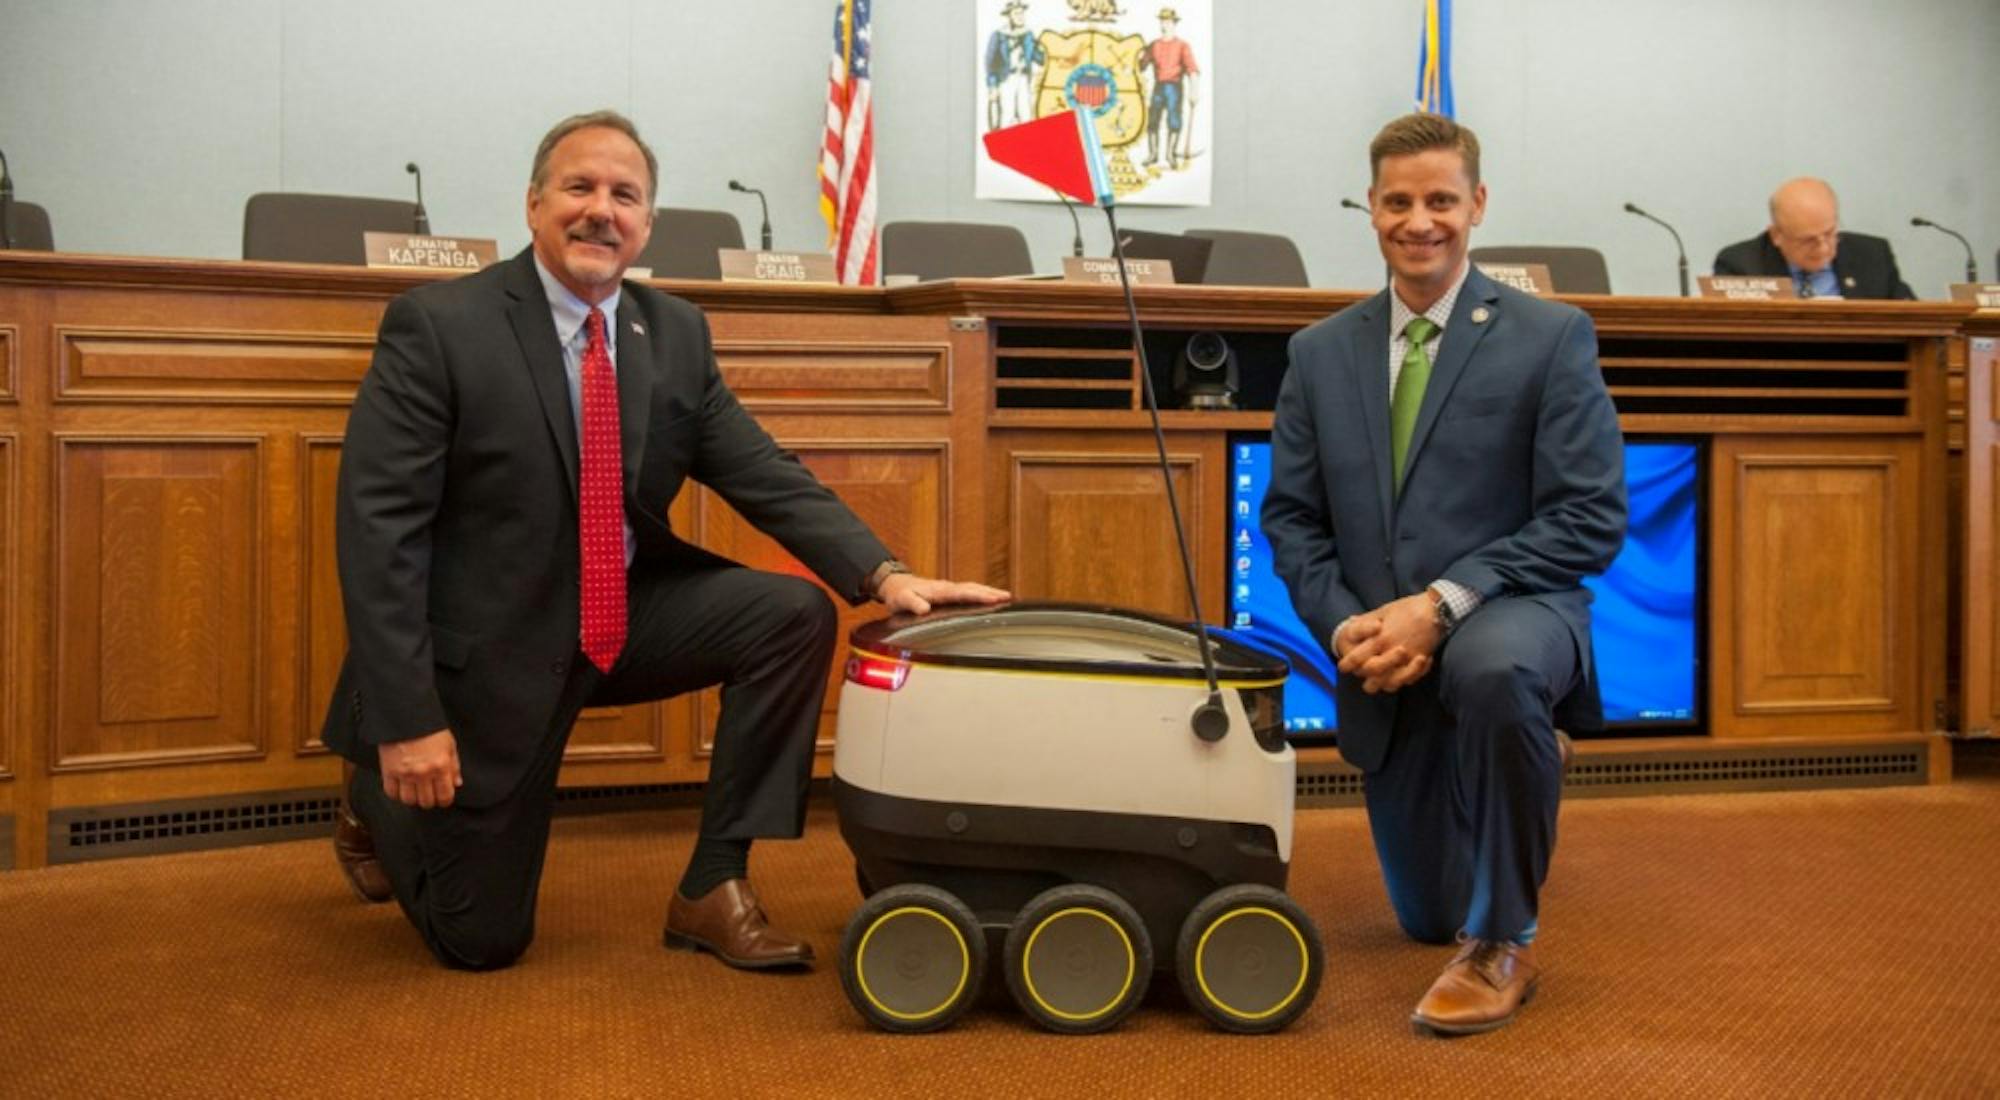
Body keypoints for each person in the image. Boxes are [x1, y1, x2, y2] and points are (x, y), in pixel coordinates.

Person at [323, 110, 1008, 973]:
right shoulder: (439, 327)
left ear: (646, 223)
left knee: (788, 614)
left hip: (614, 620)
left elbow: (760, 469)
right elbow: (378, 532)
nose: (600, 210)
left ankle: (713, 883)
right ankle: (366, 787)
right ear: (533, 205)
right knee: (481, 942)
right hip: (486, 656)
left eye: (625, 195)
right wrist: (407, 719)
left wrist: (883, 572)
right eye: (579, 188)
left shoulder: (672, 333)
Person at [1261, 112, 1626, 1036]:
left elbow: (1590, 516)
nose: (1419, 221)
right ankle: (1509, 768)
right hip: (1383, 651)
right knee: (1426, 919)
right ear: (1371, 208)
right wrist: (1349, 628)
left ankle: (1503, 939)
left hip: (1515, 608)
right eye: (1399, 201)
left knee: (1494, 670)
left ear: (1478, 205)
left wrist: (1441, 603)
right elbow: (1293, 520)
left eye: (1440, 201)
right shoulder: (1318, 353)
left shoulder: (1550, 336)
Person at [1712, 177, 1915, 299]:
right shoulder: (1740, 266)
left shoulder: (1872, 256)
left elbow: (1912, 318)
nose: (1823, 247)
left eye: (1829, 233)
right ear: (1776, 235)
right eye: (1807, 240)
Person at [1139, 7, 1200, 171]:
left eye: (1168, 22)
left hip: (1174, 87)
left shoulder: (1182, 46)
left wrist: (1194, 90)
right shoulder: (1154, 45)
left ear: (1174, 24)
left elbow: (1192, 69)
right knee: (1152, 121)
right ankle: (1153, 154)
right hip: (1158, 87)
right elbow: (1141, 66)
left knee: (1174, 121)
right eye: (1162, 21)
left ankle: (1170, 154)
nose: (1164, 25)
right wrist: (1138, 57)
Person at [985, 0, 1043, 132]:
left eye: (1022, 14)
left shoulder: (1028, 35)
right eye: (1016, 14)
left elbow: (1037, 56)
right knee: (1007, 116)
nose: (1020, 17)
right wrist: (992, 86)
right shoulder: (999, 36)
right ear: (1009, 16)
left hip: (1023, 79)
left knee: (1026, 116)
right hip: (1007, 79)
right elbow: (990, 64)